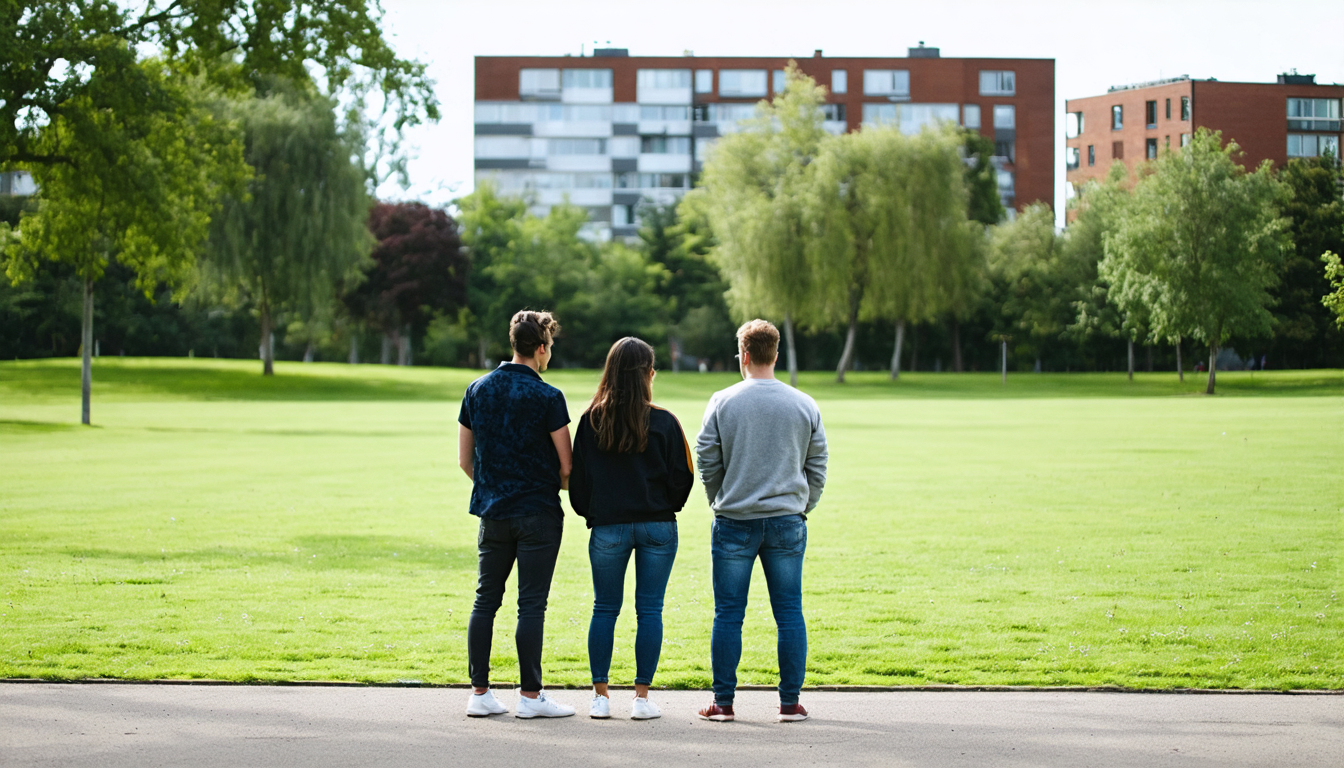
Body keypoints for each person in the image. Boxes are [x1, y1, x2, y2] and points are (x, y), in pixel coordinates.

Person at [694, 319, 828, 723]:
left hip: (734, 519)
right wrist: (804, 504)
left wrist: (717, 495)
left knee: (728, 613)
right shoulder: (804, 403)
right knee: (789, 612)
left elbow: (706, 456)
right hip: (787, 520)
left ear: (744, 355)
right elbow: (817, 464)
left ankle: (724, 702)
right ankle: (790, 703)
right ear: (776, 354)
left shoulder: (723, 400)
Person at [458, 310, 576, 719]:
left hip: (493, 512)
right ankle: (530, 697)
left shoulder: (476, 389)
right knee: (531, 605)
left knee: (485, 599)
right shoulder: (548, 396)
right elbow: (566, 467)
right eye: (550, 348)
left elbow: (465, 460)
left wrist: (494, 485)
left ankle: (479, 692)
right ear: (540, 348)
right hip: (538, 513)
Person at [570, 337, 694, 720]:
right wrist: (663, 507)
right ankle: (641, 699)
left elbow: (578, 485)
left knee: (604, 608)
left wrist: (595, 513)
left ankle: (600, 697)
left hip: (608, 528)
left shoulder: (592, 420)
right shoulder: (666, 421)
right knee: (650, 610)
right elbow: (684, 478)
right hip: (658, 526)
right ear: (649, 374)